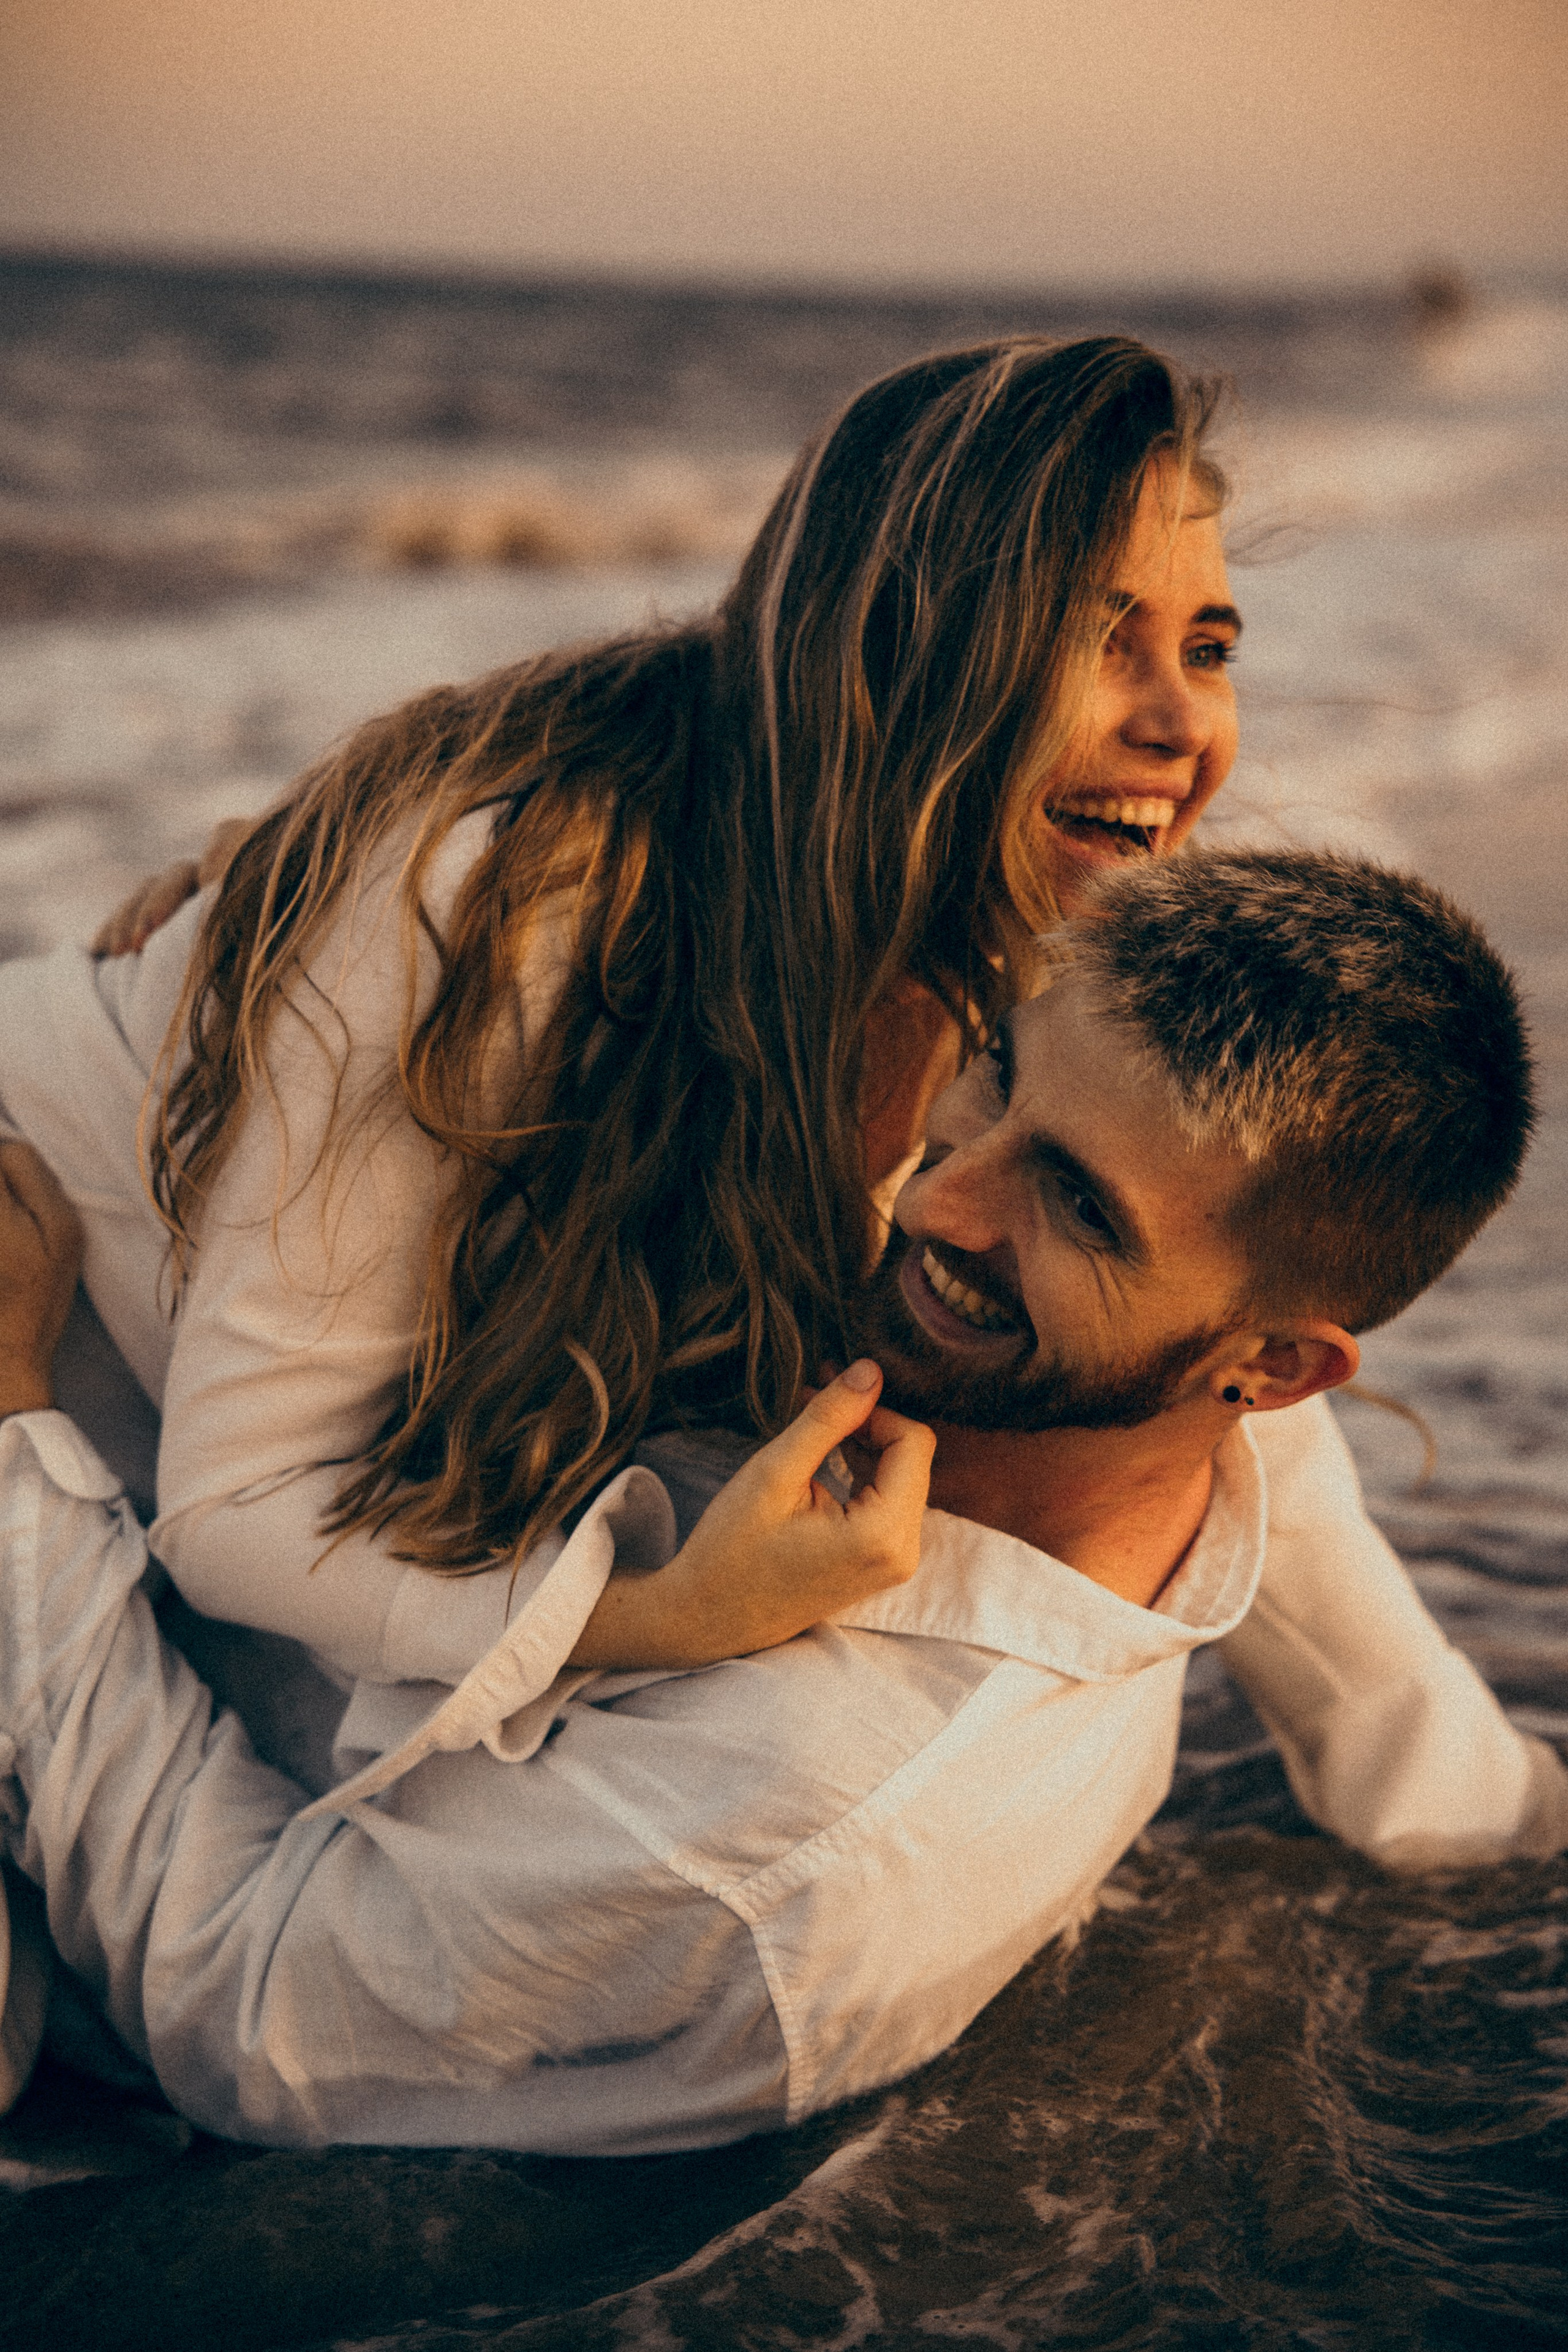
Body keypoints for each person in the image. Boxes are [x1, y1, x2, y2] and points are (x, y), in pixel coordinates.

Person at [2, 851, 1561, 2152]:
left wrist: (13, 1444)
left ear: (1273, 1360)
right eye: (999, 1075)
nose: (937, 1195)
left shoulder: (794, 1833)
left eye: (1075, 1205)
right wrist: (326, 914)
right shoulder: (1175, 1417)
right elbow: (1404, 1727)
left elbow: (240, 1999)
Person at [0, 333, 1245, 1693]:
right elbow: (238, 1517)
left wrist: (1476, 1829)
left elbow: (1234, 1351)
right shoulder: (506, 900)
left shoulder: (1020, 938)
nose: (1182, 720)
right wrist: (668, 1612)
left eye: (1208, 645)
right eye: (1091, 637)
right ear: (897, 648)